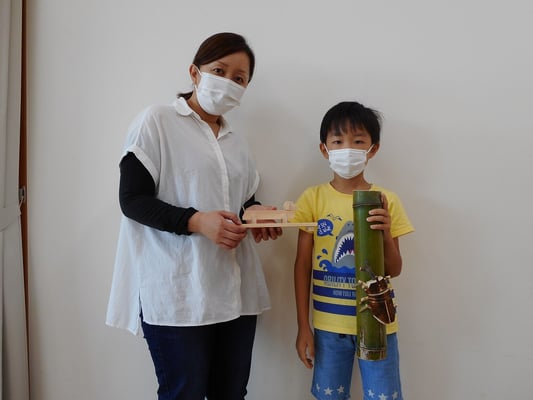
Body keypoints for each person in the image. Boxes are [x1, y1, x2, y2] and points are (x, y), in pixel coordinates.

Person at [105, 32, 281, 400]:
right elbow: (132, 199)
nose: (228, 82)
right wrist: (197, 221)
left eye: (239, 78)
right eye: (219, 70)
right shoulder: (157, 122)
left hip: (235, 293)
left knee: (231, 393)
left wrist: (256, 215)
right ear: (194, 72)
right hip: (178, 294)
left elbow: (242, 202)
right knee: (183, 393)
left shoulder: (236, 142)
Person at [291, 101, 414, 400]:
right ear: (325, 149)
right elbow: (302, 265)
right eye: (338, 141)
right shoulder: (312, 198)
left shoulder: (386, 200)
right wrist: (303, 326)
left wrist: (385, 232)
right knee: (329, 395)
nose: (347, 149)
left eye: (358, 141)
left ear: (373, 149)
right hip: (328, 326)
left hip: (379, 321)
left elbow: (394, 269)